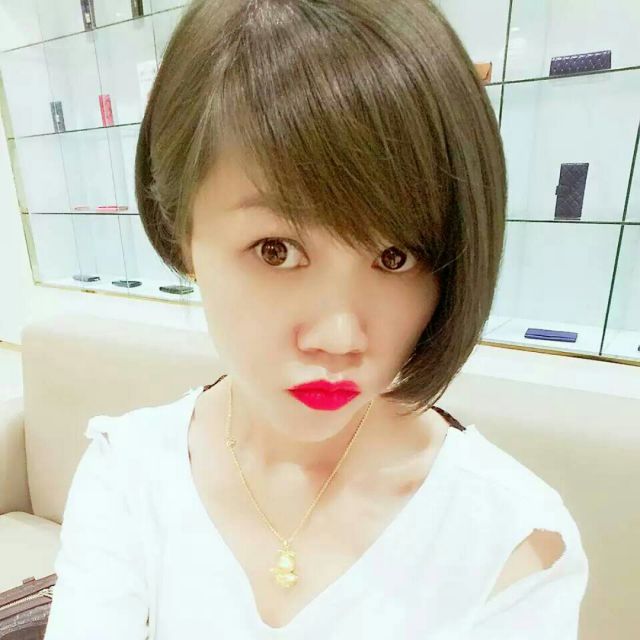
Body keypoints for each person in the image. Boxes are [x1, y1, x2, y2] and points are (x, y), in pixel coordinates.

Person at [43, 0, 589, 638]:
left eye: (396, 256)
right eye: (276, 250)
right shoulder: (130, 472)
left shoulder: (511, 541)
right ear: (181, 234)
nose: (339, 337)